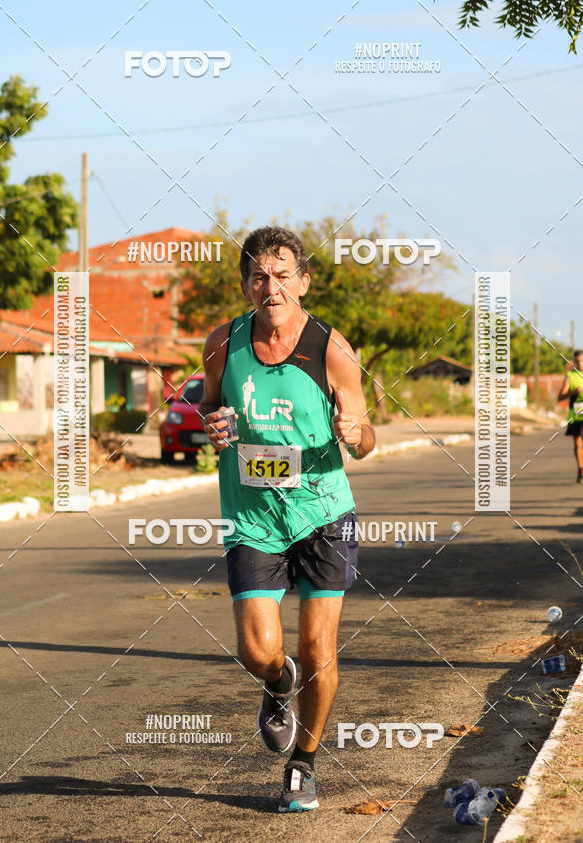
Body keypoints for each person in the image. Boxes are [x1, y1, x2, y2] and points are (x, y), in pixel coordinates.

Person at [199, 226, 374, 813]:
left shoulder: (332, 349)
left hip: (323, 514)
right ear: (245, 285)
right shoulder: (223, 343)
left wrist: (356, 434)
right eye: (258, 276)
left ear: (303, 282)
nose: (270, 287)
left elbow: (366, 437)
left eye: (281, 275)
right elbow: (208, 406)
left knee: (319, 648)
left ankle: (304, 762)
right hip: (252, 517)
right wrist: (212, 424)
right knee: (257, 650)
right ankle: (278, 682)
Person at [558, 350, 583, 483]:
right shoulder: (570, 376)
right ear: (574, 362)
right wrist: (574, 392)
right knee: (578, 443)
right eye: (578, 362)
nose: (580, 364)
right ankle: (581, 470)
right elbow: (560, 397)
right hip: (576, 415)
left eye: (582, 361)